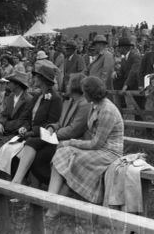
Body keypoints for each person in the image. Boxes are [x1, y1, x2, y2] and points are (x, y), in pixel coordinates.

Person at [46, 76, 123, 217]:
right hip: (99, 149)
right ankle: (51, 203)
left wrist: (71, 143)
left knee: (69, 157)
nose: (83, 94)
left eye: (84, 92)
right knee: (63, 154)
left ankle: (52, 206)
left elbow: (96, 144)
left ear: (91, 93)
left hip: (109, 153)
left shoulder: (107, 110)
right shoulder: (95, 106)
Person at [13, 73, 90, 185]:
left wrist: (54, 134)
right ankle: (20, 181)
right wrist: (51, 128)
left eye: (69, 83)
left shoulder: (84, 104)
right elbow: (60, 122)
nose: (66, 86)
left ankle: (53, 185)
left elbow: (74, 130)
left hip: (71, 141)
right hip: (58, 137)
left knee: (38, 153)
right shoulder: (69, 101)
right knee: (32, 144)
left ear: (75, 86)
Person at [0, 65, 62, 179]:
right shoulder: (37, 95)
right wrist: (25, 128)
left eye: (36, 76)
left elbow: (50, 124)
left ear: (43, 79)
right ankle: (12, 185)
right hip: (31, 134)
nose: (33, 79)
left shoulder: (55, 98)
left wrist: (30, 132)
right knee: (8, 149)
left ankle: (17, 184)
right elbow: (27, 117)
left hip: (43, 137)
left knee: (16, 151)